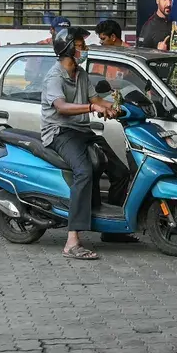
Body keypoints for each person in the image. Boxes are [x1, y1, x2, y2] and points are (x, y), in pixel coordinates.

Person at [41, 28, 132, 260]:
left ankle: (111, 231)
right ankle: (72, 240)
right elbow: (61, 107)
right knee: (84, 172)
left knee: (120, 171)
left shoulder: (81, 74)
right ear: (68, 49)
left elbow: (96, 99)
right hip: (60, 132)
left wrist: (113, 106)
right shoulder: (54, 77)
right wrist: (93, 108)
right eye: (80, 45)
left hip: (82, 131)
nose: (85, 49)